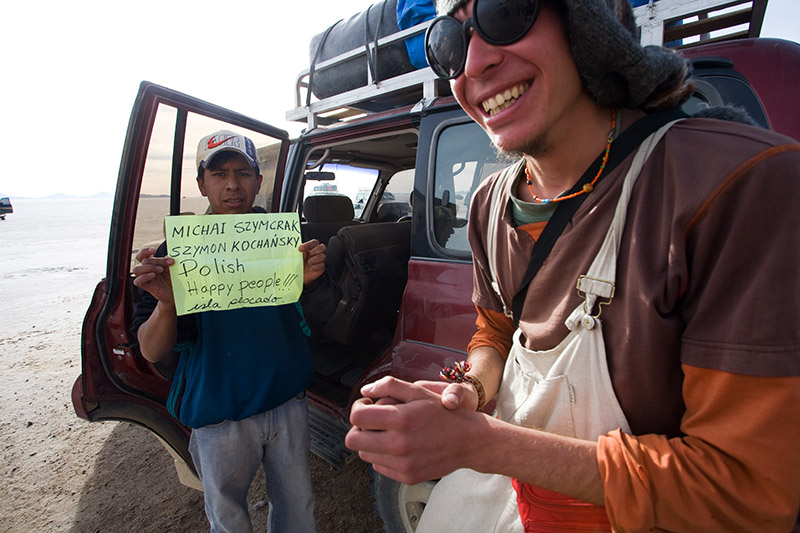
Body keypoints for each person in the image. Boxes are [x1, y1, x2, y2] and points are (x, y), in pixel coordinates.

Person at [345, 0, 800, 531]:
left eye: (506, 11)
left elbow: (746, 493)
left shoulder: (733, 183)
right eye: (451, 42)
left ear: (592, 24)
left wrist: (480, 442)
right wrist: (466, 391)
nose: (474, 65)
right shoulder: (490, 204)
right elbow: (495, 332)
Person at [132, 129, 326, 533]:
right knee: (228, 518)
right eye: (219, 174)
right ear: (202, 184)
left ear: (259, 181)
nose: (233, 184)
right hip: (219, 413)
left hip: (287, 401)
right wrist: (167, 302)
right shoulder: (173, 255)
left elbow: (312, 319)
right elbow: (151, 350)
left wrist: (307, 281)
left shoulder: (284, 242)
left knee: (298, 508)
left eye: (243, 173)